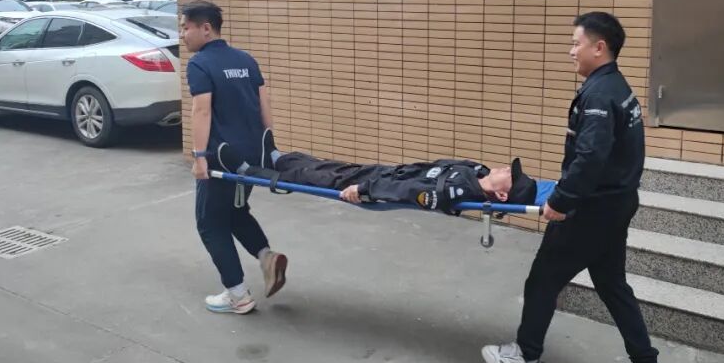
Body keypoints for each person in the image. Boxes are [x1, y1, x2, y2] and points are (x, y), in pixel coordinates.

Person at [481, 12, 675, 363]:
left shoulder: (600, 95)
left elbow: (590, 157)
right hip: (616, 204)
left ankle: (526, 357)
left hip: (591, 208)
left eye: (576, 43)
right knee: (612, 285)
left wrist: (561, 200)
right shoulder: (616, 86)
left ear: (599, 47)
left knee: (543, 279)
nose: (572, 51)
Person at [181, 0, 287, 315]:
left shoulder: (200, 64)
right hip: (250, 156)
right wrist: (269, 148)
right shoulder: (246, 59)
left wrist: (200, 157)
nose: (182, 34)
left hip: (222, 159)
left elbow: (202, 110)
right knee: (235, 210)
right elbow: (264, 104)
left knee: (209, 223)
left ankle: (238, 295)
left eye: (186, 27)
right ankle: (267, 257)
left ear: (206, 28)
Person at [214, 147, 539, 215]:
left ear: (501, 195)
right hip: (387, 171)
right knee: (328, 165)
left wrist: (364, 189)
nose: (504, 168)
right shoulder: (476, 172)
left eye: (509, 176)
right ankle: (278, 157)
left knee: (316, 178)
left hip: (377, 187)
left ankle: (248, 171)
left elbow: (409, 191)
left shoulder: (456, 192)